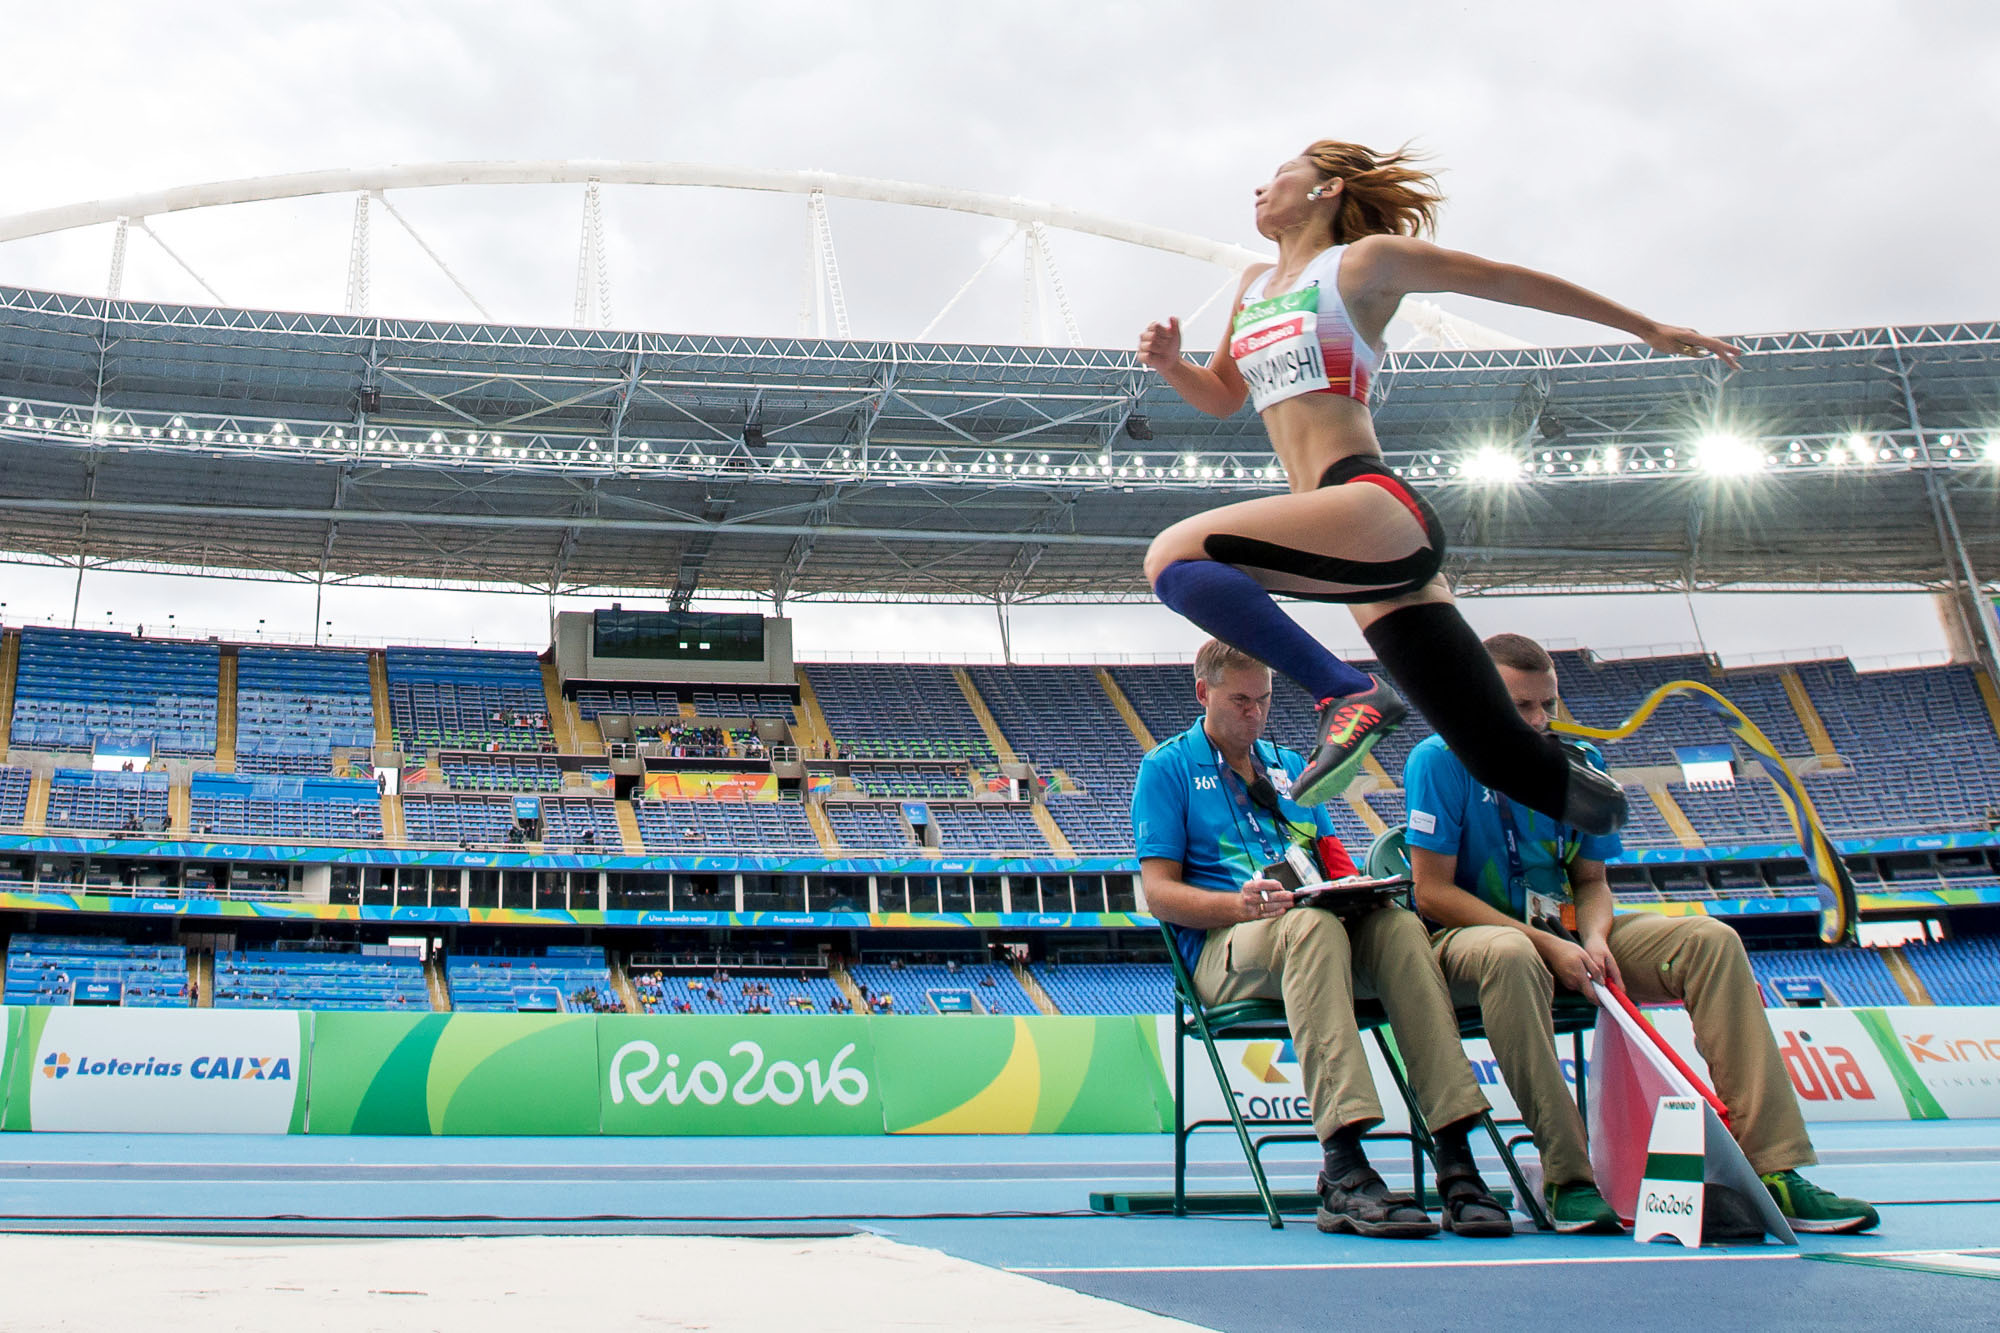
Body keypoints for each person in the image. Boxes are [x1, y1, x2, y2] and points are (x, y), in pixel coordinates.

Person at [1137, 140, 1741, 831]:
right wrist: (1172, 365)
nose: (1260, 188)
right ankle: (1614, 811)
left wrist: (1645, 327)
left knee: (1173, 559)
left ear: (1327, 189)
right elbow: (1222, 396)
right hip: (1340, 537)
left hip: (1367, 500)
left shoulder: (1362, 263)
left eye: (1280, 175)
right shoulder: (1251, 285)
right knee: (1500, 760)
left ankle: (1347, 691)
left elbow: (1506, 281)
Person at [1401, 632, 1879, 1235]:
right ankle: (1568, 1178)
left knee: (1710, 940)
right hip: (1474, 941)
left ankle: (1775, 1169)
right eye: (1522, 706)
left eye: (1548, 703)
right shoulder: (1438, 759)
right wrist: (1551, 944)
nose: (1541, 719)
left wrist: (1595, 939)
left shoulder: (1580, 762)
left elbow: (1592, 881)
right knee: (1513, 951)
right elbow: (1433, 892)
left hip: (1571, 935)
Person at [1133, 637, 1512, 1238]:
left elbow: (1332, 861)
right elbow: (1158, 893)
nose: (1254, 713)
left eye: (1263, 700)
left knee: (1398, 925)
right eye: (1239, 701)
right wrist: (1238, 904)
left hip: (1313, 929)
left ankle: (1457, 1156)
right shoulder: (1165, 768)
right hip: (1224, 948)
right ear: (1203, 693)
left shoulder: (1292, 766)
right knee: (1308, 926)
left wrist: (1361, 887)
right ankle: (1344, 1166)